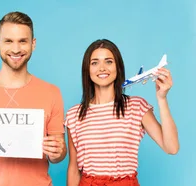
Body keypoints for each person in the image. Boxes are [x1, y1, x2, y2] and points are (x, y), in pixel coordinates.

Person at [0, 11, 67, 186]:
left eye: (22, 41)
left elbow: (58, 156)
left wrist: (57, 151)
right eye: (9, 41)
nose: (16, 49)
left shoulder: (51, 93)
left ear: (33, 44)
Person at [64, 39, 180, 186]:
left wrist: (162, 98)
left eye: (108, 61)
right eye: (94, 62)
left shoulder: (136, 106)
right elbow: (74, 169)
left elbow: (172, 147)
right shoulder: (74, 114)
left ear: (118, 67)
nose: (102, 68)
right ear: (87, 70)